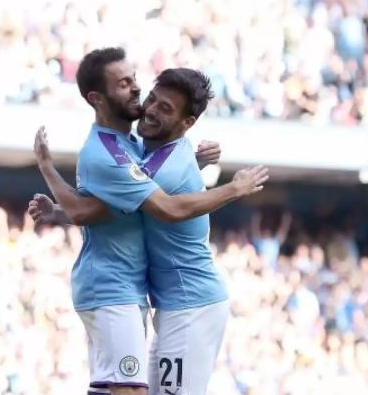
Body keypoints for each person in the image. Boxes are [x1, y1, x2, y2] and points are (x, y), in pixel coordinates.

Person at [30, 47, 267, 395]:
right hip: (164, 303)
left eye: (164, 108)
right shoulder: (142, 149)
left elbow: (164, 205)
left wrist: (235, 187)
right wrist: (58, 211)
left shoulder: (152, 159)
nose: (150, 107)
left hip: (190, 306)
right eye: (153, 98)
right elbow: (108, 208)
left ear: (187, 124)